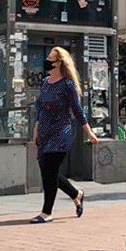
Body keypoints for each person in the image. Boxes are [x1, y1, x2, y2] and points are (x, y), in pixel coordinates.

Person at [29, 47, 98, 223]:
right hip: (44, 131)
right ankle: (77, 194)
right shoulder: (45, 82)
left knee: (49, 169)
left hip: (61, 132)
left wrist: (89, 133)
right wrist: (35, 131)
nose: (47, 61)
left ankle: (47, 213)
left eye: (51, 58)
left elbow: (77, 110)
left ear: (59, 63)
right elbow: (40, 109)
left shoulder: (67, 84)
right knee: (47, 170)